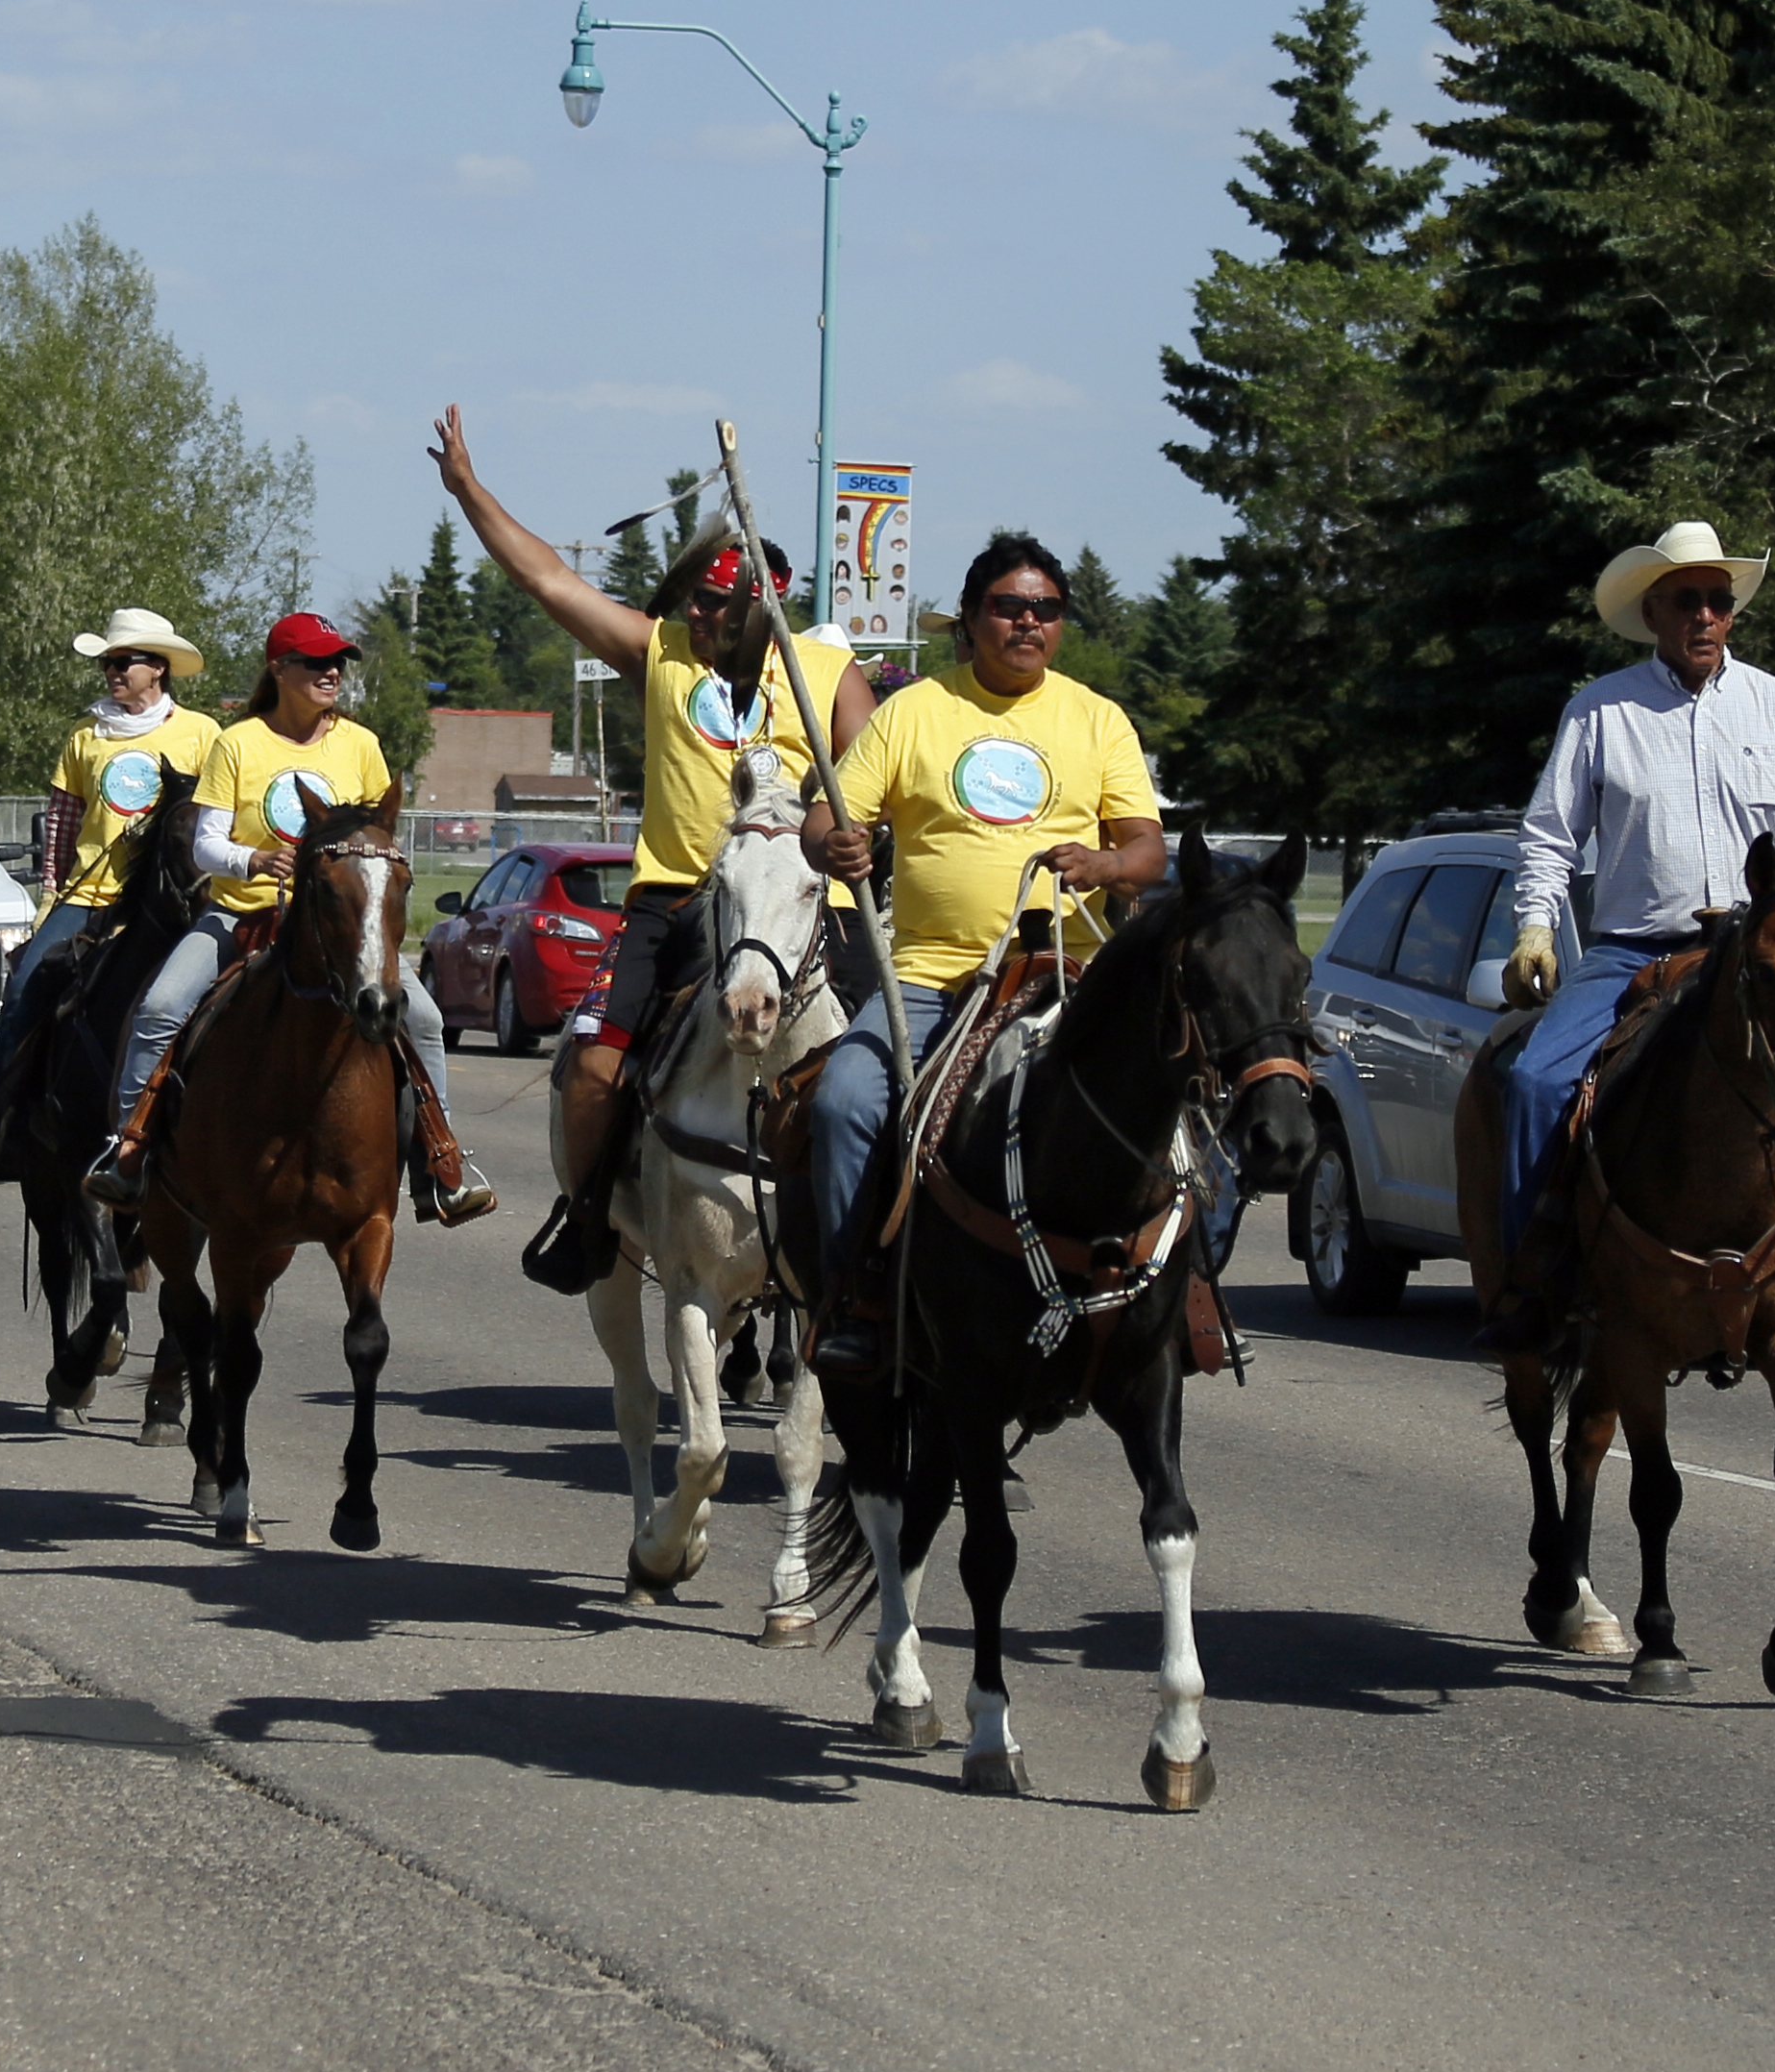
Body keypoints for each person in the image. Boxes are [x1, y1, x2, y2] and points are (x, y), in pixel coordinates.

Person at [425, 407, 878, 1294]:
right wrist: (470, 493)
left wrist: (859, 833)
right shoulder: (664, 654)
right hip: (674, 902)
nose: (695, 615)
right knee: (592, 1067)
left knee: (889, 1069)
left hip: (799, 905)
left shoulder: (828, 672)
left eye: (714, 602)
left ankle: (882, 1237)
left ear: (763, 603)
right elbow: (550, 581)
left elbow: (873, 774)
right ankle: (590, 1213)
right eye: (692, 601)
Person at [1491, 521, 1775, 1375]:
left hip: (1755, 948)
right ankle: (1533, 1287)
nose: (1704, 614)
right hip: (1634, 950)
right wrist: (1536, 926)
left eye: (1718, 600)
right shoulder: (1600, 712)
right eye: (1686, 599)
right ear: (1652, 611)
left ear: (1732, 615)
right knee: (1537, 1083)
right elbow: (1549, 839)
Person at [798, 537, 1170, 1370]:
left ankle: (1181, 1304)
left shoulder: (1097, 718)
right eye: (1008, 606)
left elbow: (1148, 851)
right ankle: (853, 1296)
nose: (1028, 622)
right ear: (971, 620)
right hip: (933, 981)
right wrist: (837, 848)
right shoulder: (914, 713)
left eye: (1045, 609)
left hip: (1066, 983)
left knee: (1189, 1103)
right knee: (844, 1102)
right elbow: (825, 817)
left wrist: (1105, 864)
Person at [84, 611, 495, 1222]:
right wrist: (255, 859)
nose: (331, 673)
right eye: (315, 662)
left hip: (339, 930)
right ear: (279, 669)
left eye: (337, 663)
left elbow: (379, 838)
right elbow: (204, 844)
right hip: (241, 915)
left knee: (427, 1019)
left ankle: (440, 1163)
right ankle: (129, 1151)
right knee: (161, 1006)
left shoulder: (360, 746)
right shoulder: (237, 742)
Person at [0, 608, 221, 1167]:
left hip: (182, 899)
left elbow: (220, 819)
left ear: (159, 670)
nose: (112, 672)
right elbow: (62, 825)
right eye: (109, 663)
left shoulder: (203, 734)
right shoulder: (84, 736)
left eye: (124, 662)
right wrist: (53, 899)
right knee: (26, 984)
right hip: (92, 894)